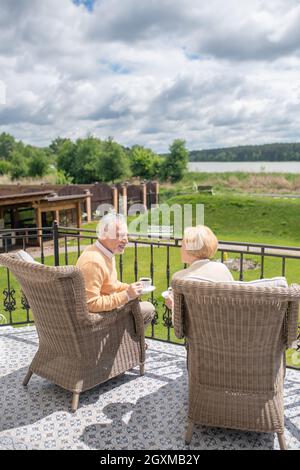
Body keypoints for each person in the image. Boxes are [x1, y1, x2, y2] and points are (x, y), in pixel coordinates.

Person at [76, 213, 155, 328]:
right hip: (100, 320)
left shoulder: (105, 253)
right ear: (103, 234)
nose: (126, 241)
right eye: (121, 235)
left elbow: (110, 285)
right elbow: (91, 304)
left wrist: (130, 288)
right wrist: (126, 295)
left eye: (126, 236)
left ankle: (130, 343)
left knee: (140, 306)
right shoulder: (93, 261)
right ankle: (129, 343)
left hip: (107, 311)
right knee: (148, 309)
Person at [165, 225, 233, 313]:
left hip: (194, 327)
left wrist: (173, 307)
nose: (180, 249)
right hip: (226, 324)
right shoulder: (222, 269)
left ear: (190, 249)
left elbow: (178, 322)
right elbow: (232, 303)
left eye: (182, 246)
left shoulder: (179, 278)